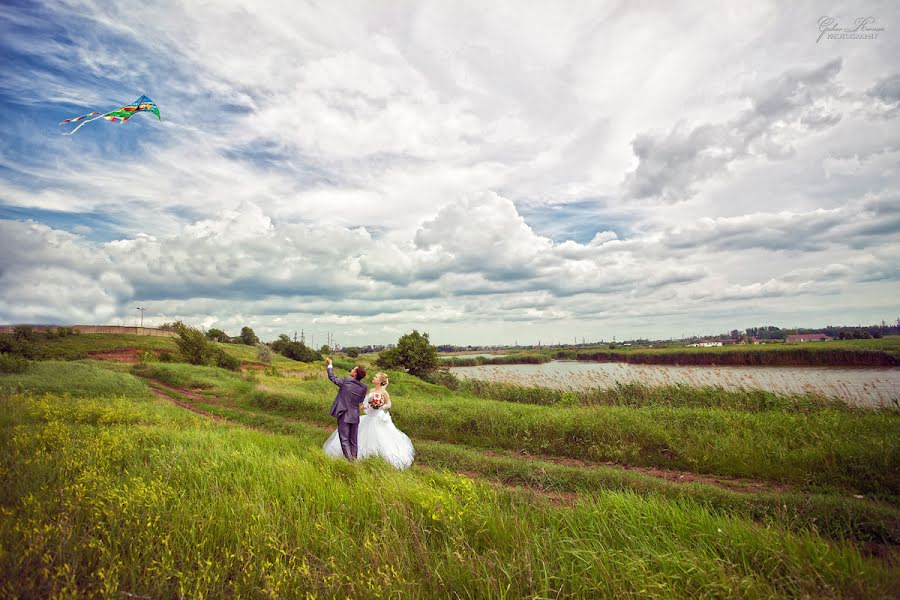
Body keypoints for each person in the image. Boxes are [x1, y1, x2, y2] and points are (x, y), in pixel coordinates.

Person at [323, 371, 415, 469]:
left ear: (380, 381)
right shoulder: (371, 390)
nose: (374, 378)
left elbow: (389, 404)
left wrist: (379, 406)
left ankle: (377, 457)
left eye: (376, 377)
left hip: (378, 417)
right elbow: (366, 403)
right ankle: (354, 458)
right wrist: (365, 406)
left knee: (380, 438)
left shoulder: (384, 392)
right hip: (369, 417)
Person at [325, 357, 367, 462]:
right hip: (355, 415)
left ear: (355, 374)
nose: (352, 369)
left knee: (344, 439)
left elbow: (333, 378)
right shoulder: (364, 387)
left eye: (353, 369)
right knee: (353, 440)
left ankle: (350, 463)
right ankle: (354, 460)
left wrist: (330, 365)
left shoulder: (347, 380)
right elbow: (361, 400)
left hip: (344, 413)